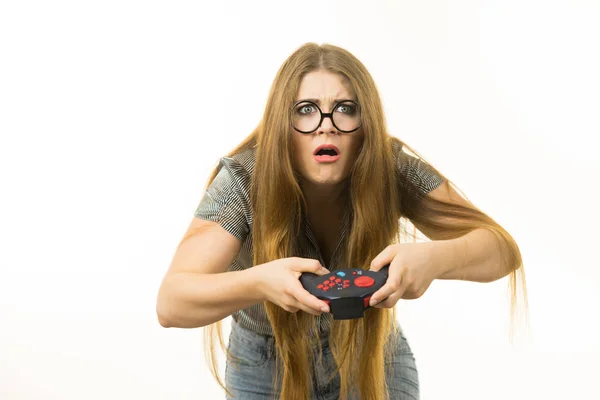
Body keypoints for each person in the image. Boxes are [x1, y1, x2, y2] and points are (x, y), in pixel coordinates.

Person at [156, 43, 527, 400]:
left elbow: (500, 249)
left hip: (369, 355)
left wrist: (433, 259)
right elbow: (172, 302)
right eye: (305, 109)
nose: (325, 125)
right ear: (280, 125)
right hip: (263, 365)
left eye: (345, 108)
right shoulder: (243, 181)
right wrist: (260, 282)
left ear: (366, 124)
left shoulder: (391, 168)